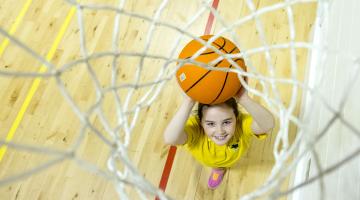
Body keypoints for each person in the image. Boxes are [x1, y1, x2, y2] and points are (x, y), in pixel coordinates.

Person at [163, 87, 275, 189]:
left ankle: (221, 168)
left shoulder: (241, 124)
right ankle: (218, 169)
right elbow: (170, 138)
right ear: (200, 122)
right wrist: (188, 102)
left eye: (226, 122)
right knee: (216, 166)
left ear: (236, 117)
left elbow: (268, 125)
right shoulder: (196, 131)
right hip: (209, 161)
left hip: (232, 159)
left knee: (226, 164)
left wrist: (244, 99)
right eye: (211, 124)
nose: (220, 131)